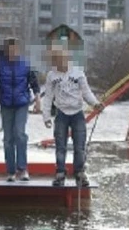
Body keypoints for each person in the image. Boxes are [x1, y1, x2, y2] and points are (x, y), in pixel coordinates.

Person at [41, 45, 101, 187]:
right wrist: (46, 117)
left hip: (77, 114)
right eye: (56, 60)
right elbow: (48, 97)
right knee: (60, 146)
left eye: (61, 59)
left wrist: (96, 104)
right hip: (61, 114)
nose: (59, 63)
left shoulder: (78, 73)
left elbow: (86, 92)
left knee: (79, 146)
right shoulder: (51, 75)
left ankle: (79, 173)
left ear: (67, 58)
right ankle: (60, 173)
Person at [0, 38, 41, 182]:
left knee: (20, 133)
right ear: (6, 51)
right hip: (6, 104)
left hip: (22, 104)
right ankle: (11, 171)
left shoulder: (25, 64)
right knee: (8, 138)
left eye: (15, 50)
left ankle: (22, 169)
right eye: (10, 50)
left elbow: (34, 83)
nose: (13, 53)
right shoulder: (0, 65)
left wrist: (38, 100)